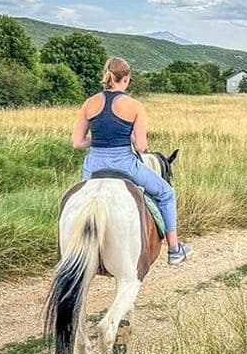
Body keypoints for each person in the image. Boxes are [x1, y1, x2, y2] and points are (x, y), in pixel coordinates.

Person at [71, 57, 193, 266]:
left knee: (76, 202)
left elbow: (78, 142)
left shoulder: (89, 103)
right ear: (126, 78)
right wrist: (127, 137)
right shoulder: (135, 106)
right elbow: (142, 147)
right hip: (125, 164)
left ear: (107, 75)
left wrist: (98, 140)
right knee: (166, 194)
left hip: (93, 167)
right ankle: (174, 249)